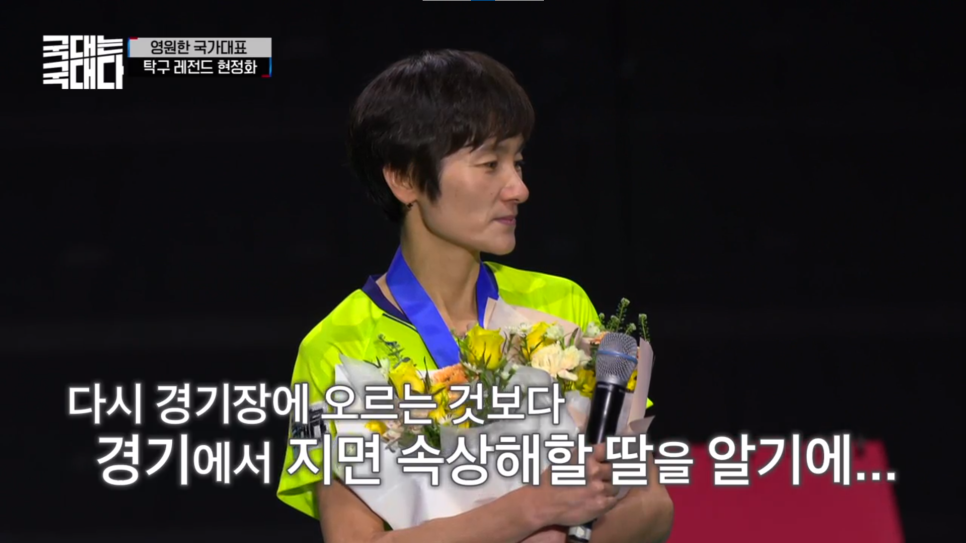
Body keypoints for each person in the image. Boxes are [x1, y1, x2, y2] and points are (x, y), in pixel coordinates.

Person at [276, 49, 674, 543]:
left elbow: (651, 503)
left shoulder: (561, 305)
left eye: (518, 162)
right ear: (404, 178)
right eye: (490, 164)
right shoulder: (333, 348)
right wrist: (530, 510)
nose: (519, 189)